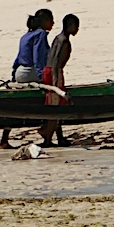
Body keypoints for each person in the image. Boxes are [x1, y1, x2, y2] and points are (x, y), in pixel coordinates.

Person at [0, 9, 53, 150]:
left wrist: (13, 75)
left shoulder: (26, 35)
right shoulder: (41, 34)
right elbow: (38, 58)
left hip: (20, 72)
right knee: (52, 98)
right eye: (51, 20)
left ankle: (4, 139)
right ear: (45, 20)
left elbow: (18, 58)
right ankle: (48, 131)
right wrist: (43, 78)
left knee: (17, 104)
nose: (53, 23)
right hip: (31, 72)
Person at [40, 13, 79, 148]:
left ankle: (59, 137)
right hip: (54, 72)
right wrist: (56, 82)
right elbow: (56, 60)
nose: (77, 30)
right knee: (55, 107)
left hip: (49, 71)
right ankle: (47, 139)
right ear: (71, 26)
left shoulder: (58, 38)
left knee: (58, 105)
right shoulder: (63, 40)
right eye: (76, 26)